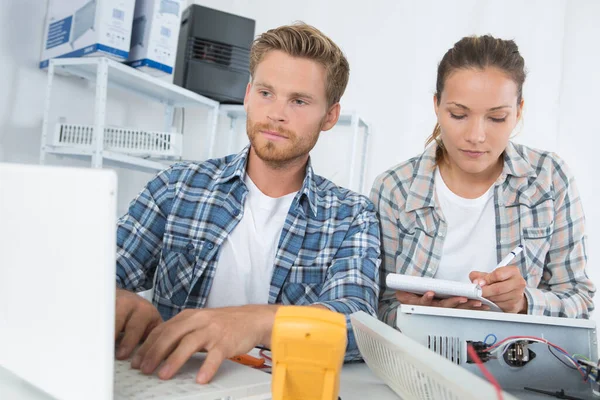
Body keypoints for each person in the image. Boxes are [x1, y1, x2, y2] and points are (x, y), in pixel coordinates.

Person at [113, 22, 380, 383]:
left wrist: (256, 321)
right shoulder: (176, 187)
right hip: (171, 383)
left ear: (330, 115)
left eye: (299, 101)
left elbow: (356, 324)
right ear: (248, 94)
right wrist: (110, 296)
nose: (276, 113)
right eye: (267, 93)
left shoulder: (352, 216)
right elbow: (93, 273)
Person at [371, 35, 595, 327]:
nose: (476, 136)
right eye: (459, 114)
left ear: (519, 111)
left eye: (497, 118)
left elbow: (579, 299)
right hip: (418, 362)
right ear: (437, 106)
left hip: (519, 363)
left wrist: (523, 303)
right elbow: (373, 306)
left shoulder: (549, 178)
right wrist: (414, 314)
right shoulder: (393, 189)